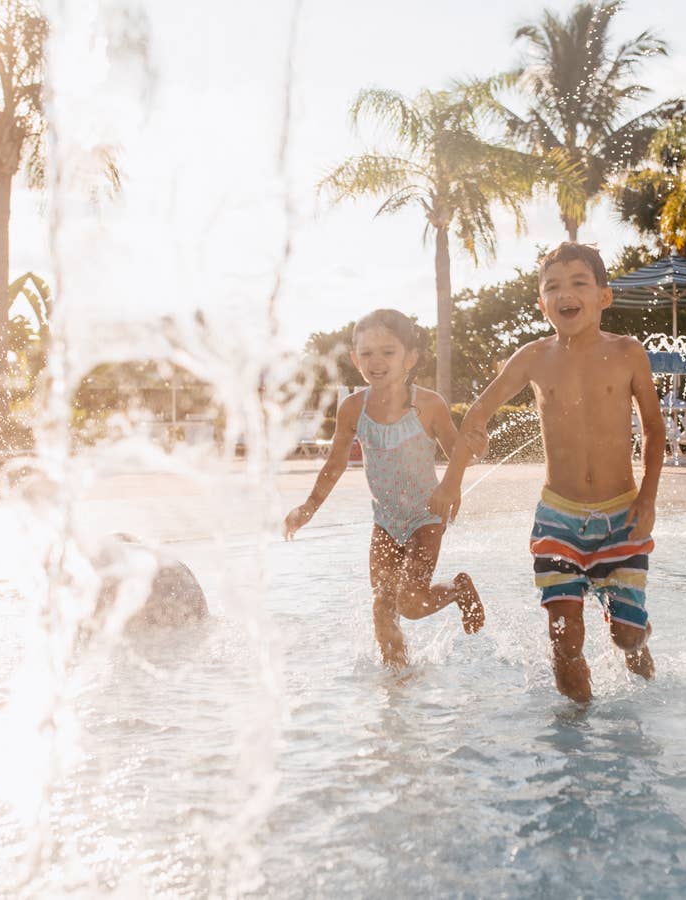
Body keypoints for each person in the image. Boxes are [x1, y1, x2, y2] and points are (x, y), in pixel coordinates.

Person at [430, 242, 665, 702]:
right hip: (558, 518)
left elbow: (655, 430)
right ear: (542, 303)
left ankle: (636, 636)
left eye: (579, 283)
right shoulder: (534, 357)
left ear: (604, 296)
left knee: (626, 638)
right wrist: (453, 478)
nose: (566, 294)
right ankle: (574, 743)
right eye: (553, 287)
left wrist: (648, 498)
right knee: (564, 639)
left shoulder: (627, 353)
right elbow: (478, 412)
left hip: (623, 517)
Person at [284, 309, 484, 667]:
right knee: (381, 608)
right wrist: (308, 507)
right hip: (386, 522)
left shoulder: (428, 405)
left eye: (388, 352)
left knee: (410, 602)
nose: (376, 361)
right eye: (367, 353)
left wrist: (453, 484)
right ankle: (397, 682)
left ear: (410, 357)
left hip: (427, 517)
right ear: (353, 358)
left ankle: (458, 589)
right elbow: (335, 463)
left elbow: (459, 453)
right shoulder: (352, 409)